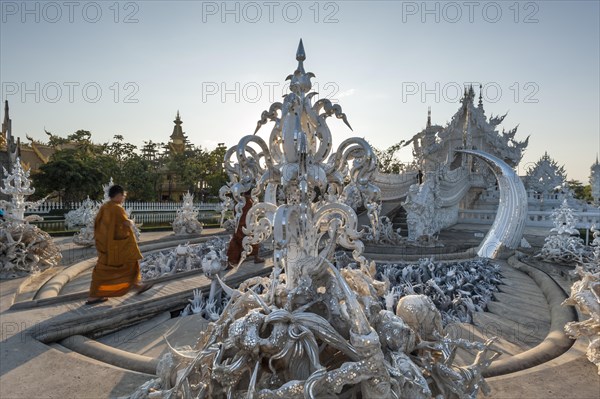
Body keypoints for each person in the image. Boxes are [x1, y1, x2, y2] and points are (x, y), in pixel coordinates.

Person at [86, 185, 152, 305]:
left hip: (105, 246)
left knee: (102, 270)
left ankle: (94, 296)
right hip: (119, 246)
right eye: (123, 196)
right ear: (118, 195)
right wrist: (132, 222)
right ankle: (136, 285)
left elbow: (98, 225)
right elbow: (126, 223)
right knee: (131, 264)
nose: (123, 198)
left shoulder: (104, 207)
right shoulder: (117, 209)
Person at [226, 189, 264, 267]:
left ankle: (232, 261)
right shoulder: (250, 202)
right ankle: (256, 258)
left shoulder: (240, 202)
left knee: (236, 242)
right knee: (254, 240)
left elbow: (235, 213)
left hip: (240, 226)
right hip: (248, 226)